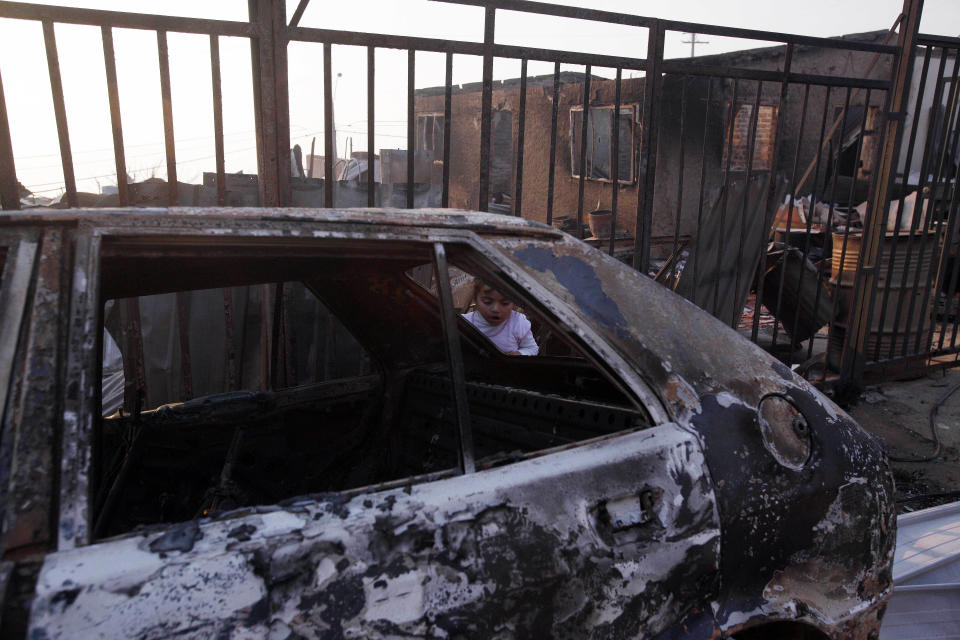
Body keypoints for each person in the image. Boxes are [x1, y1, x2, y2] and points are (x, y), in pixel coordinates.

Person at [462, 278, 539, 356]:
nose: (496, 309)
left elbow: (532, 348)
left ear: (513, 303)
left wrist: (519, 354)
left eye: (505, 303)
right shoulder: (463, 322)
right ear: (475, 299)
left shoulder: (518, 322)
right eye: (487, 302)